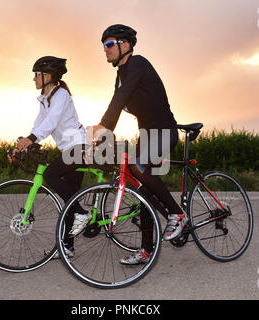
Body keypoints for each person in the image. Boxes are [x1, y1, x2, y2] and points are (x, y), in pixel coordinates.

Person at [70, 24, 188, 264]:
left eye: (109, 44)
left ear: (126, 45)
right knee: (143, 192)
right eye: (103, 45)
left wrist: (103, 125)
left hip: (165, 133)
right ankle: (146, 250)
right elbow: (116, 103)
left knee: (137, 167)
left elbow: (119, 100)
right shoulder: (121, 75)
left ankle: (177, 213)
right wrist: (100, 138)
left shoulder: (137, 64)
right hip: (147, 137)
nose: (105, 49)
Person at [10, 56, 90, 258]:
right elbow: (39, 126)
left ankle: (82, 212)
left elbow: (52, 122)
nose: (34, 79)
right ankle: (67, 246)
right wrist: (23, 146)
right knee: (69, 195)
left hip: (78, 146)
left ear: (49, 76)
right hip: (68, 149)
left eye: (37, 75)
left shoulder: (61, 94)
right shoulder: (45, 100)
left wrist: (31, 138)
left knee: (51, 175)